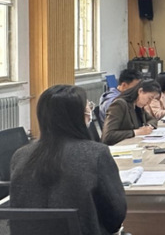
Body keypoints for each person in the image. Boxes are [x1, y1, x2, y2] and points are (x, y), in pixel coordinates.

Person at [10, 85, 126, 235]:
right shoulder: (96, 153)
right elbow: (116, 213)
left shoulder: (21, 155)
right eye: (88, 107)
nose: (90, 112)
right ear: (78, 116)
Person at [102, 80, 160, 145]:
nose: (149, 102)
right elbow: (108, 136)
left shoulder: (138, 105)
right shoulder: (119, 104)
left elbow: (152, 119)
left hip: (134, 143)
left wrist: (148, 127)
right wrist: (136, 132)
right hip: (119, 146)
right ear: (140, 91)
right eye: (149, 98)